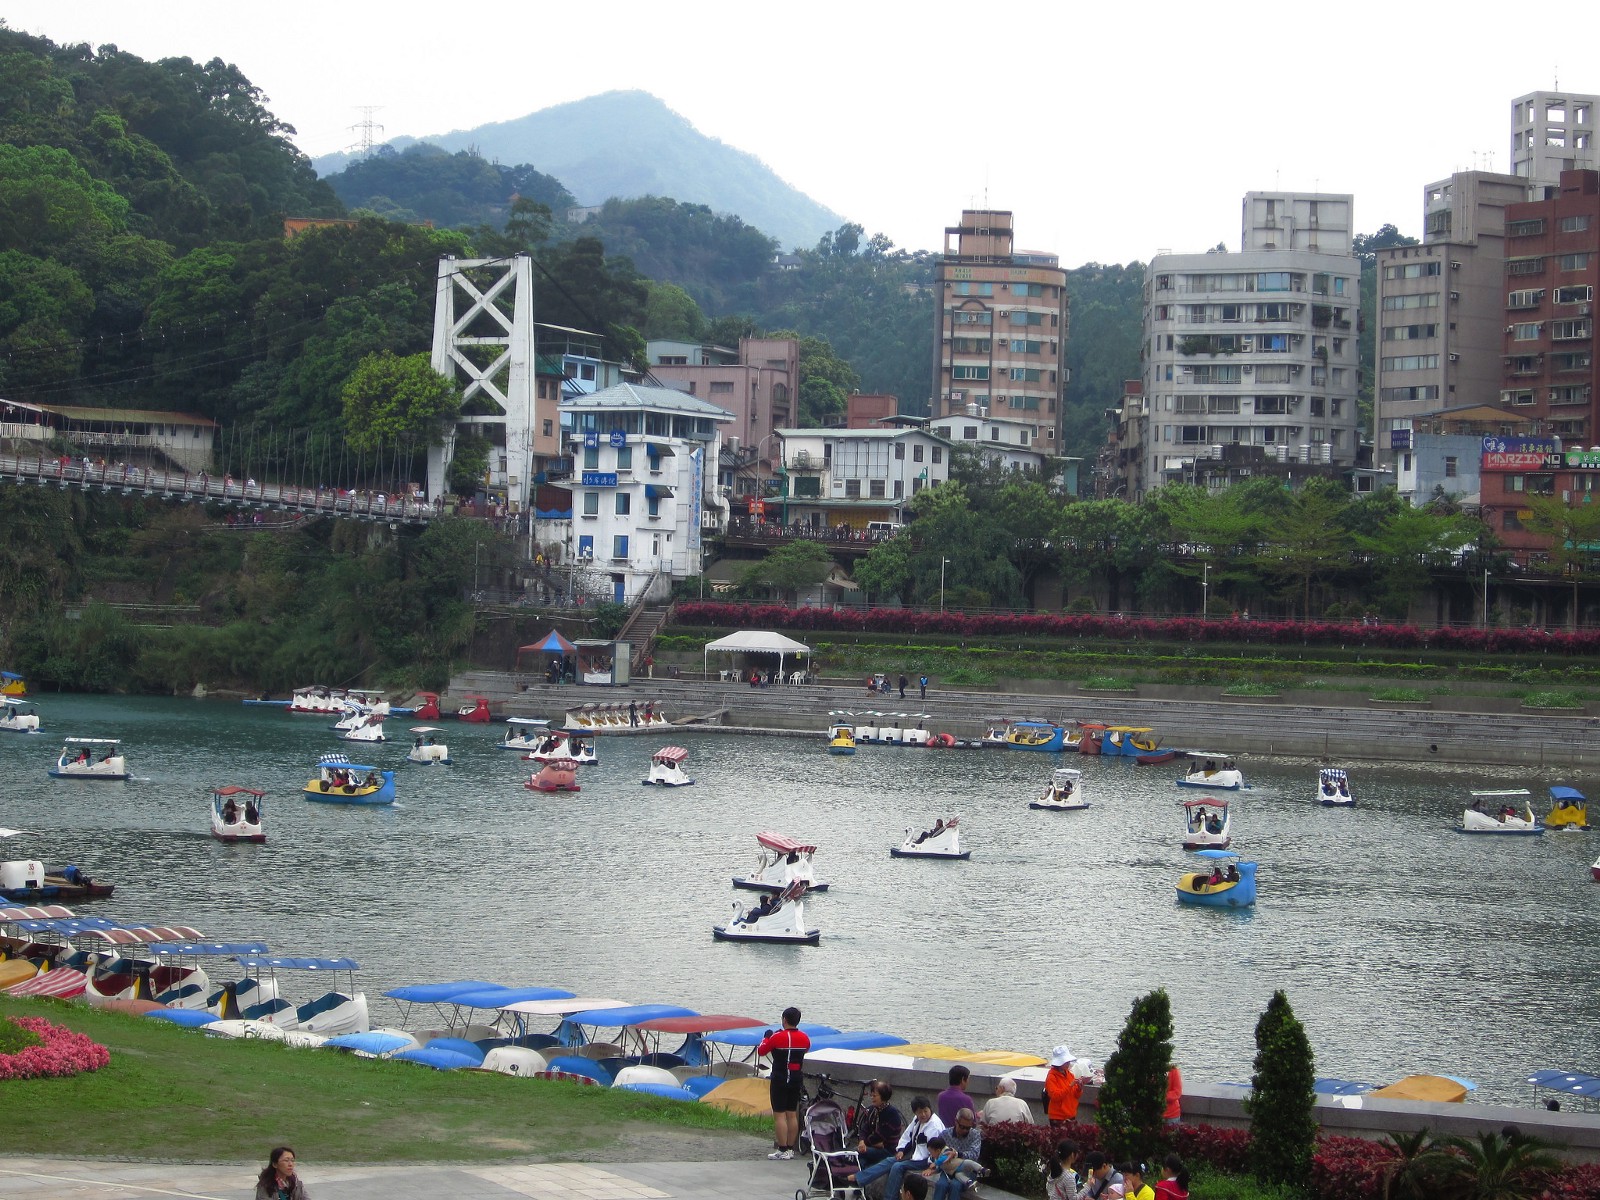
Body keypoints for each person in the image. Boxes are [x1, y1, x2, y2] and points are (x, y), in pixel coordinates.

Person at [851, 1095, 945, 1197]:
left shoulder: (934, 1126)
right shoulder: (917, 1119)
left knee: (897, 1167)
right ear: (915, 1113)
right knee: (890, 1160)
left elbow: (936, 1152)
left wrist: (932, 1168)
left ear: (930, 1109)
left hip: (926, 1160)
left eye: (925, 1111)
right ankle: (857, 1179)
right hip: (912, 1154)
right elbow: (907, 1136)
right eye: (919, 1112)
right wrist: (901, 1150)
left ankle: (887, 1197)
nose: (923, 1114)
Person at [757, 1006, 810, 1159]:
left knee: (779, 1115)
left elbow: (762, 1051)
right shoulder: (804, 1038)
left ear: (784, 1020)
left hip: (780, 1078)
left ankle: (782, 1148)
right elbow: (805, 1050)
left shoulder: (777, 1037)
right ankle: (790, 1149)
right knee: (791, 1114)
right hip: (795, 1078)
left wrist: (766, 1037)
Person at [853, 1080, 904, 1168]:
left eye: (875, 1096)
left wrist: (865, 1143)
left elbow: (880, 1136)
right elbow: (865, 1128)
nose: (872, 1098)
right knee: (858, 1154)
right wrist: (861, 1141)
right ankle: (864, 1171)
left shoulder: (891, 1113)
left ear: (883, 1096)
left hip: (888, 1150)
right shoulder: (873, 1110)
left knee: (856, 1152)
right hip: (874, 1146)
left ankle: (861, 1173)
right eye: (871, 1095)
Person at [1044, 1045, 1082, 1127]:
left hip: (1071, 1114)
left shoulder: (1070, 1075)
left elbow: (1076, 1095)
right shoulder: (1051, 1076)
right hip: (1058, 1117)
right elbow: (1055, 1096)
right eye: (1065, 1061)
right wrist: (1070, 1086)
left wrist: (1079, 1088)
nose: (1068, 1063)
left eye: (1068, 1061)